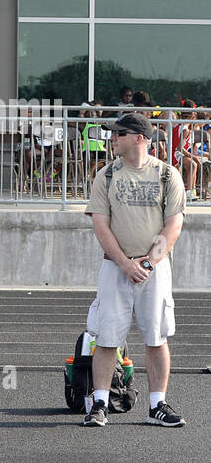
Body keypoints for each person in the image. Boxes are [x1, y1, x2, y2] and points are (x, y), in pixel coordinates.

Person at [81, 113, 187, 427]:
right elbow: (100, 225)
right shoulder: (107, 175)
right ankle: (99, 404)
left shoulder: (168, 175)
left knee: (156, 338)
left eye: (118, 133)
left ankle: (157, 405)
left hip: (154, 270)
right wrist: (126, 264)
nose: (112, 138)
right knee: (107, 339)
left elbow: (174, 226)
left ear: (139, 137)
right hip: (116, 268)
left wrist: (147, 263)